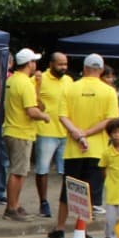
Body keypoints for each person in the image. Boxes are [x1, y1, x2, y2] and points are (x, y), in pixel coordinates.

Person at [49, 53, 118, 238]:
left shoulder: (71, 88)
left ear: (85, 69)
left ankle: (60, 227)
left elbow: (62, 116)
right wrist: (86, 134)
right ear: (101, 70)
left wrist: (77, 133)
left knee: (68, 188)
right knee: (90, 190)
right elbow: (110, 119)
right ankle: (82, 229)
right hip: (97, 149)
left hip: (73, 149)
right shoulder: (109, 91)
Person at [2, 49, 51, 221]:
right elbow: (32, 110)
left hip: (11, 129)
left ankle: (14, 204)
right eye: (33, 61)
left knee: (18, 170)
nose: (35, 64)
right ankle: (11, 207)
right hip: (21, 132)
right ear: (29, 63)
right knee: (18, 172)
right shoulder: (25, 84)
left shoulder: (12, 80)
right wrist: (45, 116)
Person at [33, 52, 72, 219]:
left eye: (65, 64)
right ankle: (43, 202)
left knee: (67, 172)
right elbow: (31, 100)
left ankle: (66, 203)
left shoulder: (69, 81)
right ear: (51, 64)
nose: (63, 67)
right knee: (42, 169)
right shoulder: (40, 79)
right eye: (60, 64)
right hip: (46, 131)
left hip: (65, 132)